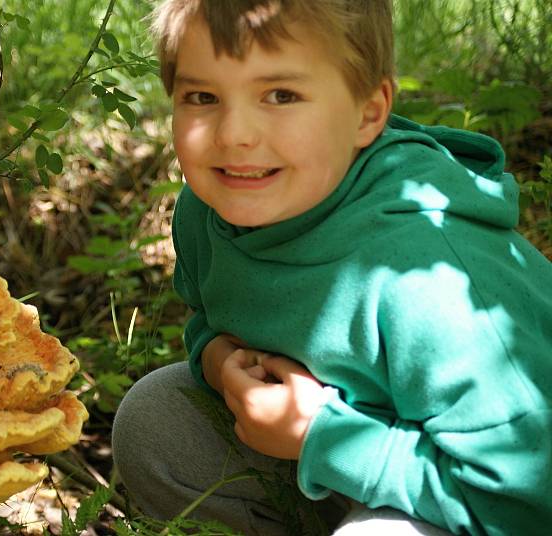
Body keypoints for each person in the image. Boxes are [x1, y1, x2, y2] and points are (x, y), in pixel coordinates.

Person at [111, 1, 552, 535]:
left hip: (482, 495)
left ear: (368, 112)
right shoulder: (209, 210)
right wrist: (218, 360)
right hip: (341, 468)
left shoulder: (428, 279)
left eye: (281, 95)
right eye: (202, 96)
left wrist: (322, 436)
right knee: (158, 419)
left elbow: (528, 500)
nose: (234, 135)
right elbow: (210, 316)